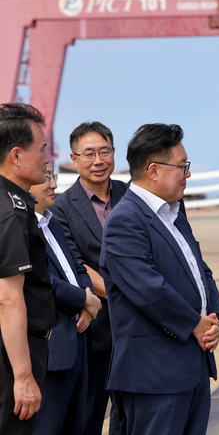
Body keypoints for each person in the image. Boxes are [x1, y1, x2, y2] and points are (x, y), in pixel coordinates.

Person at [99, 123, 219, 434]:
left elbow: (199, 269)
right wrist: (195, 324)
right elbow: (148, 288)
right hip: (155, 374)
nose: (188, 174)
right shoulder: (125, 219)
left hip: (193, 364)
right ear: (154, 170)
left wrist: (215, 318)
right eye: (182, 166)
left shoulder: (175, 212)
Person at [51, 122, 128, 434]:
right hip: (97, 330)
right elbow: (75, 265)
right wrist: (133, 294)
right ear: (73, 159)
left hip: (141, 329)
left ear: (114, 152)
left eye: (104, 151)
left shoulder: (132, 195)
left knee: (135, 415)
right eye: (89, 153)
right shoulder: (61, 207)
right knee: (89, 418)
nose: (98, 160)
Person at [28, 163, 102, 435]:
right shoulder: (19, 226)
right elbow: (39, 279)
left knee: (76, 426)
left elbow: (77, 268)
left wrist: (88, 299)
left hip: (78, 345)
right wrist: (83, 300)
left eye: (53, 176)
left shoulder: (53, 224)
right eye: (46, 177)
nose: (54, 184)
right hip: (51, 350)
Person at [0, 103, 57, 434]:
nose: (46, 159)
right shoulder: (12, 210)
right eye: (42, 149)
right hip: (14, 355)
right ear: (17, 155)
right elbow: (8, 298)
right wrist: (23, 376)